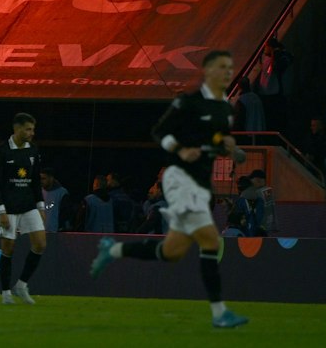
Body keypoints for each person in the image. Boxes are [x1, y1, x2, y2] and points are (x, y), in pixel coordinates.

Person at [90, 48, 251, 329]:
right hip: (179, 177)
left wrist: (232, 149)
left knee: (171, 251)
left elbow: (218, 138)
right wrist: (179, 148)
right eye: (223, 67)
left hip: (199, 182)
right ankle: (219, 314)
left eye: (230, 68)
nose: (228, 72)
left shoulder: (225, 108)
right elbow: (159, 132)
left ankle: (113, 251)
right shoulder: (187, 102)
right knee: (211, 241)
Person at [0, 112, 46, 305]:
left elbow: (35, 180)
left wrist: (41, 206)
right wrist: (1, 210)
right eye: (28, 129)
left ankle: (21, 285)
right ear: (17, 129)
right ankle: (6, 293)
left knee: (40, 243)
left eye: (33, 129)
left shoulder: (33, 149)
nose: (32, 133)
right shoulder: (2, 150)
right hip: (8, 208)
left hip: (28, 205)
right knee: (8, 248)